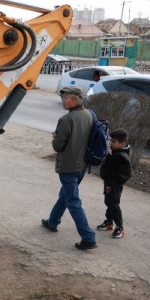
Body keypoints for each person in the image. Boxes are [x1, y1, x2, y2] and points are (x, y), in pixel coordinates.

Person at [41, 86, 97, 250]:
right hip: (82, 165)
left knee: (73, 201)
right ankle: (53, 222)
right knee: (65, 195)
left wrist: (55, 137)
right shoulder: (89, 115)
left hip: (68, 166)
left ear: (77, 100)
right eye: (63, 97)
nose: (64, 100)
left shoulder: (66, 120)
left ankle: (88, 237)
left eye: (67, 97)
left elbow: (57, 146)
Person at [97, 129, 132, 239]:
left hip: (114, 184)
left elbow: (126, 173)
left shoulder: (120, 156)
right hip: (109, 183)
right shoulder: (116, 153)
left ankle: (119, 227)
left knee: (113, 204)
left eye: (114, 142)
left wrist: (108, 156)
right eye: (111, 141)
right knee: (109, 202)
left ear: (122, 144)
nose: (111, 143)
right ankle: (109, 223)